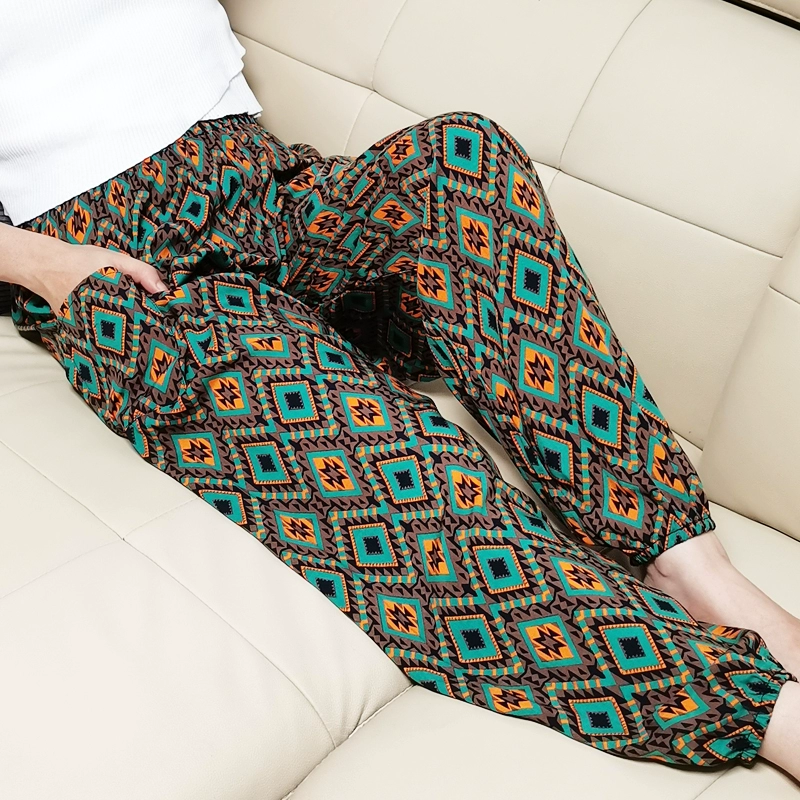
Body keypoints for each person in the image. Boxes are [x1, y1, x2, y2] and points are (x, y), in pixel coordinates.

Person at [1, 0, 799, 778]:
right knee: (400, 464)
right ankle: (758, 709)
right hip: (121, 271)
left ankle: (690, 564)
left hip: (266, 188)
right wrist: (52, 268)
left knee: (460, 159)